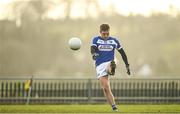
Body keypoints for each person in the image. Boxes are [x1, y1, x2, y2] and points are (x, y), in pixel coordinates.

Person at [90, 24, 130, 112]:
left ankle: (112, 69)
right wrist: (93, 54)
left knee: (111, 64)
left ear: (109, 32)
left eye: (107, 33)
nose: (106, 35)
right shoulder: (95, 39)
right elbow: (92, 49)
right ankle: (114, 107)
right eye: (104, 34)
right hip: (99, 65)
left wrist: (127, 65)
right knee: (105, 88)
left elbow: (123, 53)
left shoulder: (114, 41)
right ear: (100, 32)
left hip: (109, 62)